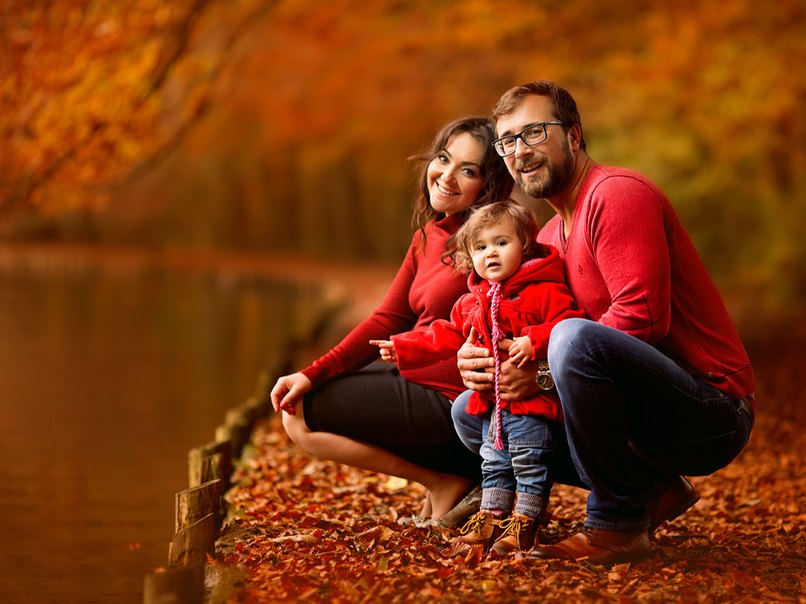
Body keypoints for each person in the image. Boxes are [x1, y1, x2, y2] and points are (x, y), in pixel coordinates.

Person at [454, 80, 756, 564]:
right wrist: (490, 364)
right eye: (508, 140)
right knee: (475, 414)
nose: (519, 151)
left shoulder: (616, 195)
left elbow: (643, 318)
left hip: (710, 409)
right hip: (641, 414)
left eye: (534, 132)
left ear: (574, 136)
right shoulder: (549, 233)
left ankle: (618, 525)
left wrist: (543, 375)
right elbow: (544, 322)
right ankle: (651, 490)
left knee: (573, 340)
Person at [270, 116, 514, 525]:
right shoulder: (427, 237)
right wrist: (312, 373)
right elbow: (389, 317)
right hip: (412, 379)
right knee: (299, 404)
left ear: (488, 185)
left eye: (468, 170)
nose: (447, 176)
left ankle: (446, 481)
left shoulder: (491, 243)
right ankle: (443, 479)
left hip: (456, 401)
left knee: (301, 414)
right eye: (443, 159)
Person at [372, 201, 585, 557]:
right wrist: (403, 346)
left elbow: (570, 325)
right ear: (470, 256)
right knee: (494, 461)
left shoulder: (544, 290)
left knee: (530, 463)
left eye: (502, 243)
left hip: (532, 406)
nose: (492, 254)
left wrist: (535, 341)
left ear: (525, 245)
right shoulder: (473, 302)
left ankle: (526, 523)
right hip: (494, 408)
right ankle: (492, 516)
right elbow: (446, 334)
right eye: (481, 247)